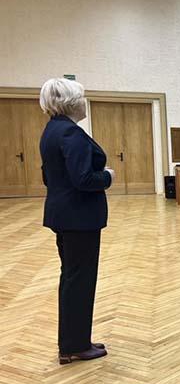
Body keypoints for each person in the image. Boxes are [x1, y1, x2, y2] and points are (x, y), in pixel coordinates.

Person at [39, 78, 114, 365]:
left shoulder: (52, 130)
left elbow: (48, 176)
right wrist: (107, 177)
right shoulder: (70, 133)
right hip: (79, 217)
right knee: (80, 281)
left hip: (64, 214)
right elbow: (84, 179)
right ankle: (74, 345)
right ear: (71, 102)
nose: (84, 103)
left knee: (72, 278)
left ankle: (75, 340)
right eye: (82, 98)